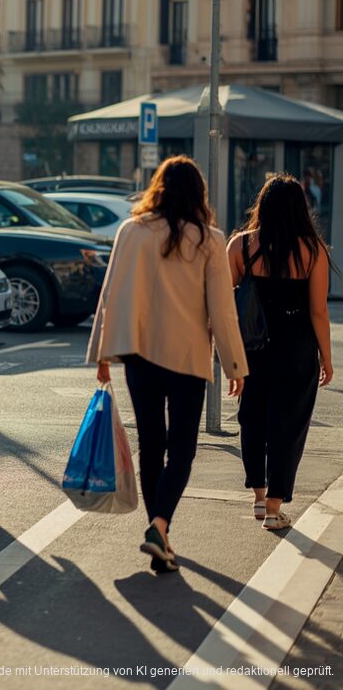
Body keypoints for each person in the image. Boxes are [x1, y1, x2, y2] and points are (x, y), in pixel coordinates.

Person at [88, 155, 248, 573]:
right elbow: (223, 309)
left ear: (157, 187)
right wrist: (235, 365)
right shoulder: (210, 239)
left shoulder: (132, 232)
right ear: (199, 194)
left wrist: (103, 355)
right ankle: (160, 527)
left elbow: (112, 295)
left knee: (151, 445)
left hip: (139, 356)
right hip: (187, 358)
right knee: (182, 450)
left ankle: (158, 532)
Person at [228, 174, 336, 531]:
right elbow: (319, 311)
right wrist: (327, 357)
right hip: (297, 348)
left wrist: (228, 356)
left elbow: (226, 305)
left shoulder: (240, 246)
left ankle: (258, 498)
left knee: (252, 418)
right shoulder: (313, 250)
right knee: (288, 425)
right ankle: (275, 507)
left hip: (253, 346)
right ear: (299, 209)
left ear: (263, 205)